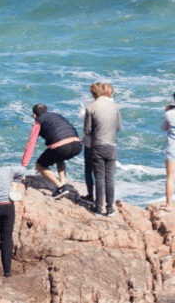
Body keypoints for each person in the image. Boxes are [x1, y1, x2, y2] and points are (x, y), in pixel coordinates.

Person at [21, 104, 81, 199]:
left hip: (62, 147)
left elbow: (31, 144)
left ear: (34, 115)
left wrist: (23, 165)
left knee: (40, 164)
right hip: (77, 145)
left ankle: (61, 187)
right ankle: (63, 183)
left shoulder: (38, 122)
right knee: (59, 158)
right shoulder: (56, 116)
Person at [85, 82, 121, 216]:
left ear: (93, 94)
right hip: (112, 146)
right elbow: (118, 127)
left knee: (99, 178)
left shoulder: (91, 107)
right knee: (109, 178)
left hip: (97, 146)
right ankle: (110, 208)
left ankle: (98, 208)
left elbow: (87, 131)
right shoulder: (114, 106)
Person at [77, 84, 104, 205]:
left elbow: (84, 124)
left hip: (90, 142)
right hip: (105, 142)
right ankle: (101, 199)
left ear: (92, 93)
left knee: (88, 170)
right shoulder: (110, 106)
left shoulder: (89, 105)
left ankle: (90, 196)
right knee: (100, 172)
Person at [162, 93, 175, 210]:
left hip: (172, 148)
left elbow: (163, 128)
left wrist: (166, 111)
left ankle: (169, 205)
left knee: (170, 177)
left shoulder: (169, 113)